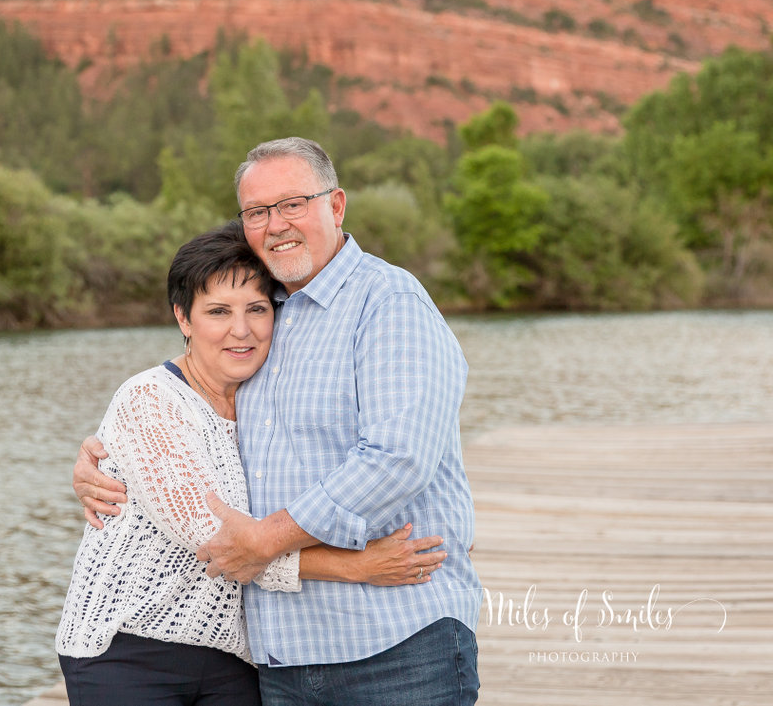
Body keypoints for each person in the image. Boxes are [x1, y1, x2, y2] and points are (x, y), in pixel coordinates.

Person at [75, 137, 482, 706]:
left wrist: (267, 539)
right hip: (280, 661)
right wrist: (107, 457)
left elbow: (398, 457)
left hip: (396, 645)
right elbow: (189, 431)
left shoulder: (389, 303)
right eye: (258, 212)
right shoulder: (269, 317)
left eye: (294, 204)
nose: (276, 224)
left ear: (335, 206)